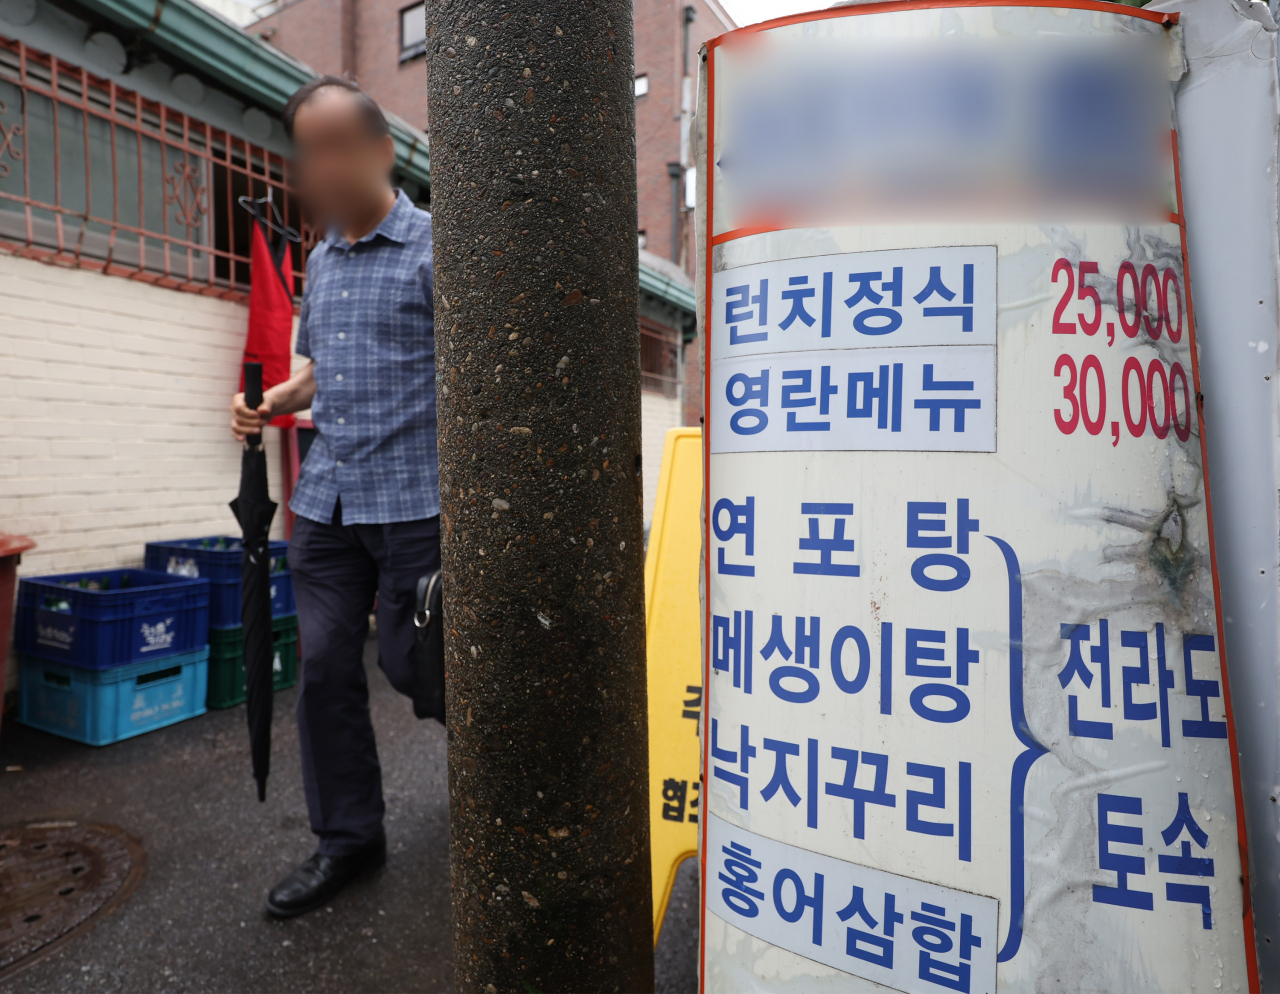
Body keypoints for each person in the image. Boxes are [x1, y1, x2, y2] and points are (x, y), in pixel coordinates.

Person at [229, 76, 438, 918]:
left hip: (417, 501)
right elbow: (319, 368)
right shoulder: (319, 256)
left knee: (421, 669)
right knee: (322, 675)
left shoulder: (437, 248)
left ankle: (518, 801)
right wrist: (274, 401)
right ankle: (348, 839)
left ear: (380, 150)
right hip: (326, 502)